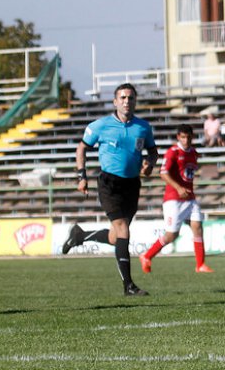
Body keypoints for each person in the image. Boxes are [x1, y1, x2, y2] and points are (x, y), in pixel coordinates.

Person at [61, 83, 159, 296]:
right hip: (109, 183)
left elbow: (153, 151)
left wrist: (149, 164)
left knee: (117, 237)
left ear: (135, 101)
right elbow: (81, 148)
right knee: (123, 229)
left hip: (132, 184)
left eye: (130, 98)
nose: (127, 101)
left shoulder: (143, 127)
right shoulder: (101, 125)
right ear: (115, 101)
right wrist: (81, 176)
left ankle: (79, 237)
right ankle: (129, 286)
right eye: (122, 97)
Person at [139, 124, 213, 274]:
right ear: (178, 137)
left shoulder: (193, 153)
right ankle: (146, 256)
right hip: (174, 199)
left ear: (192, 137)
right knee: (171, 235)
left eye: (188, 137)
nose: (186, 140)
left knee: (198, 227)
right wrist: (179, 188)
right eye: (183, 137)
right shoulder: (172, 152)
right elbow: (163, 173)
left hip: (190, 198)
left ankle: (200, 265)